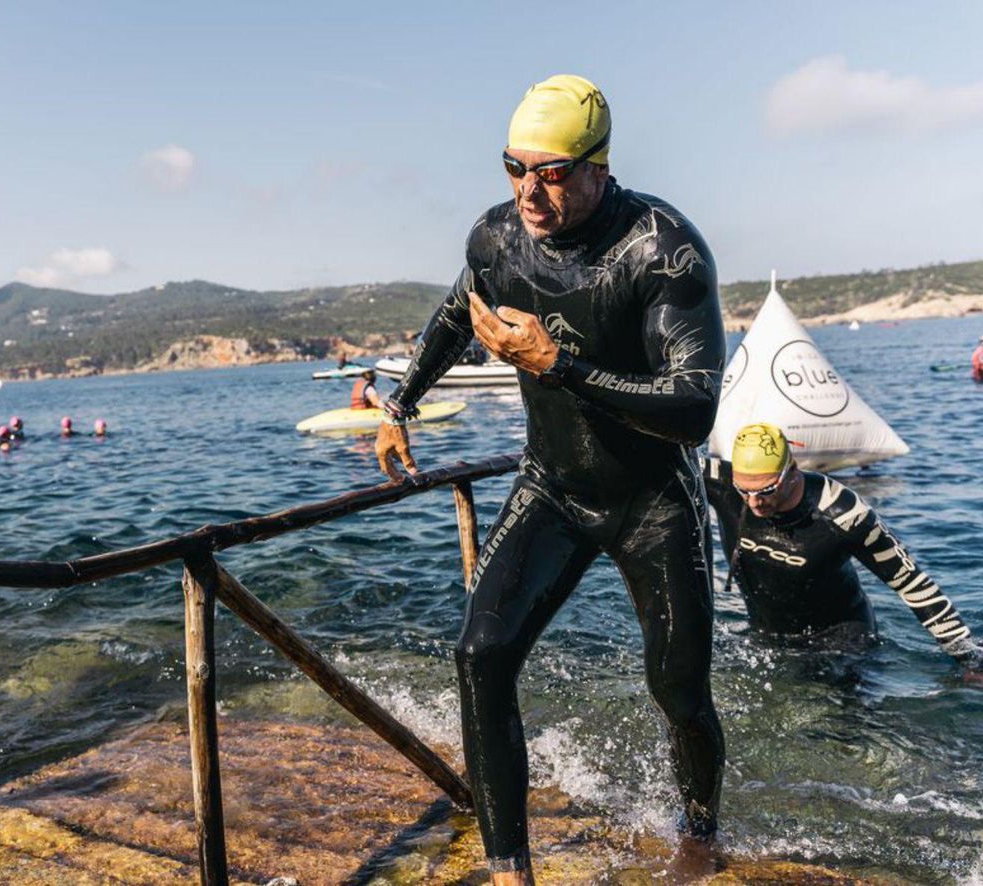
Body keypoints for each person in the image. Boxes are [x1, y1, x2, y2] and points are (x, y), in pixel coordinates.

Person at [374, 74, 726, 881]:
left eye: (554, 171)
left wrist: (559, 366)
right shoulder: (496, 238)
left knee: (678, 693)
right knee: (480, 656)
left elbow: (696, 407)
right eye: (514, 166)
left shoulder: (662, 249)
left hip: (650, 501)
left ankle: (701, 839)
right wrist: (400, 404)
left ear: (600, 166)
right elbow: (458, 312)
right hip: (552, 487)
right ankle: (510, 870)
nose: (530, 190)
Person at [703, 422, 982, 680]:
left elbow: (913, 584)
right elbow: (665, 461)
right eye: (744, 490)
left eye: (767, 489)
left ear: (792, 470)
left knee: (837, 723)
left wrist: (969, 659)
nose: (754, 502)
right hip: (768, 634)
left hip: (841, 641)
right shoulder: (724, 483)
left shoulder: (845, 514)